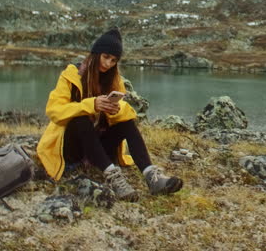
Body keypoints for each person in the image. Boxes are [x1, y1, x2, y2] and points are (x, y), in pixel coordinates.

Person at [36, 28, 183, 201]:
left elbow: (127, 114)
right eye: (106, 57)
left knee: (127, 122)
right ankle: (113, 177)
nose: (108, 64)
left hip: (98, 147)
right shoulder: (71, 75)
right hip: (71, 148)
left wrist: (116, 110)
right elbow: (54, 111)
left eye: (113, 60)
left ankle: (152, 176)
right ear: (96, 53)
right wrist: (91, 105)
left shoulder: (114, 80)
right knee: (81, 117)